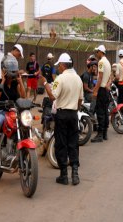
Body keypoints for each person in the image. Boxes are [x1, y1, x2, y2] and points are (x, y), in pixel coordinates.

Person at [41, 53, 83, 186]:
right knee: (73, 143)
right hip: (73, 114)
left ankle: (64, 175)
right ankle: (75, 174)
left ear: (63, 65)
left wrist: (45, 83)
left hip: (62, 115)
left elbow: (53, 97)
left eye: (59, 65)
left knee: (61, 144)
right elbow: (80, 100)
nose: (58, 67)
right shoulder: (78, 79)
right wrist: (75, 110)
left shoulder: (60, 79)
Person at [0, 55, 26, 166]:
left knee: (25, 126)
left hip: (15, 112)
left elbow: (23, 97)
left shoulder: (16, 83)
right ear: (4, 70)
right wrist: (4, 80)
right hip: (3, 112)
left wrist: (20, 82)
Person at [91, 45, 111, 142]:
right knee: (105, 112)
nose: (96, 53)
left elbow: (100, 77)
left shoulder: (101, 62)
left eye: (97, 52)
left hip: (102, 90)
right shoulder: (108, 62)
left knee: (100, 113)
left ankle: (99, 135)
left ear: (101, 52)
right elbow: (109, 77)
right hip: (106, 90)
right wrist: (108, 84)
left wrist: (95, 90)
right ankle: (105, 134)